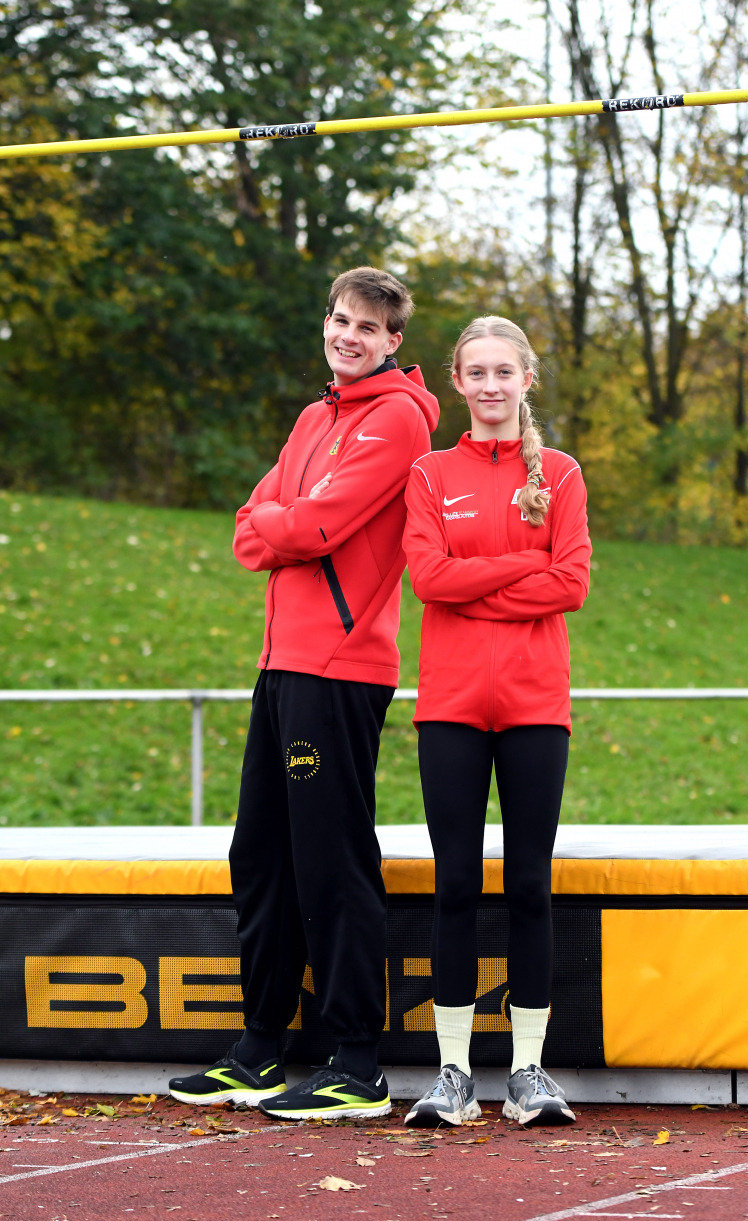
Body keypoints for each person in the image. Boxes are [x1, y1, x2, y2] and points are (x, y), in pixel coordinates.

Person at [169, 267, 439, 1119]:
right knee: (260, 856)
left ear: (394, 340)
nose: (347, 335)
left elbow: (312, 524)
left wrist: (287, 520)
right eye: (338, 319)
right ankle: (261, 1047)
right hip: (283, 659)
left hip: (343, 663)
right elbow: (252, 524)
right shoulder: (314, 414)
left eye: (367, 326)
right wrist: (285, 519)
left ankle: (356, 1060)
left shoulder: (396, 418)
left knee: (332, 859)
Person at [401, 315, 590, 1128]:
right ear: (456, 380)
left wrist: (475, 575)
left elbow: (572, 581)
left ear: (525, 380)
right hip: (449, 705)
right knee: (453, 885)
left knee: (527, 886)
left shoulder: (563, 473)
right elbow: (426, 579)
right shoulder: (427, 471)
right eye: (474, 372)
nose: (487, 386)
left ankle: (526, 1074)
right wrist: (522, 565)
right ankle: (452, 1075)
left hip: (534, 705)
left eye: (501, 372)